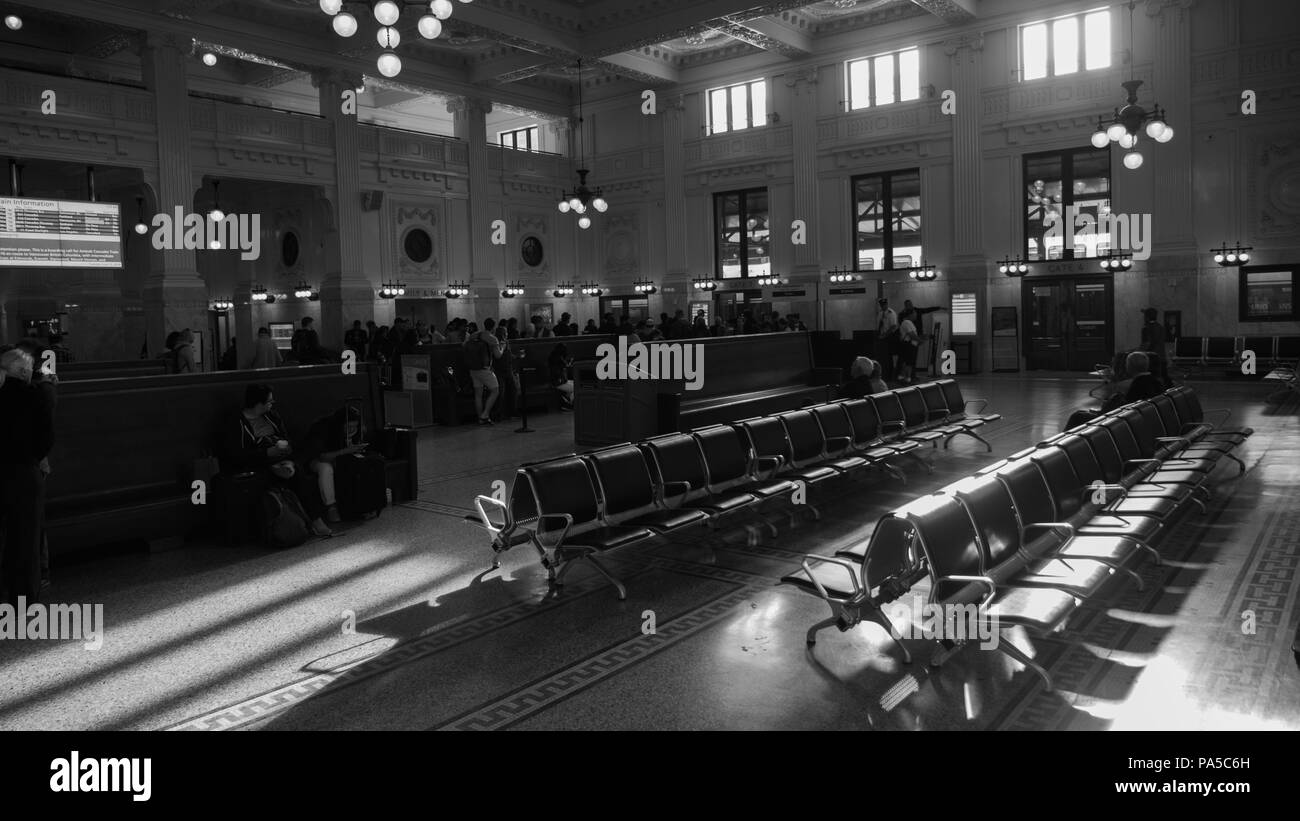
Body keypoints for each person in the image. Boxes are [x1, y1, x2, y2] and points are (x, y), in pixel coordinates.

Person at [221, 384, 332, 537]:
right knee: (285, 474)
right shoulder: (236, 422)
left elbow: (286, 439)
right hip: (257, 463)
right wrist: (267, 453)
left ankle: (315, 520)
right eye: (269, 402)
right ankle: (308, 522)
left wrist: (287, 457)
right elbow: (237, 455)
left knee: (298, 467)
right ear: (259, 404)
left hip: (280, 458)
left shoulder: (272, 416)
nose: (272, 404)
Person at [0, 348, 56, 604]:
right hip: (23, 472)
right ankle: (23, 598)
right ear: (23, 372)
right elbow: (45, 439)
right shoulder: (33, 396)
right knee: (26, 537)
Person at [302, 405, 369, 524]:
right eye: (349, 426)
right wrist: (347, 450)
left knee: (358, 463)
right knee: (326, 469)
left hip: (340, 459)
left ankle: (361, 504)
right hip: (315, 460)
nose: (352, 429)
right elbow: (322, 456)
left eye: (355, 426)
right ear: (340, 424)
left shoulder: (356, 430)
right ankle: (331, 507)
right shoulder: (322, 428)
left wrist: (350, 441)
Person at [466, 318, 505, 425]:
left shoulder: (475, 335)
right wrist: (503, 347)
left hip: (473, 369)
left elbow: (465, 344)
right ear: (493, 327)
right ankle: (485, 414)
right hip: (484, 369)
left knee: (478, 395)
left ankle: (480, 419)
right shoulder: (492, 338)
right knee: (495, 390)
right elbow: (498, 355)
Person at [1139, 307, 1168, 385]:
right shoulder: (1161, 327)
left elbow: (1147, 344)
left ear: (1147, 317)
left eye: (1144, 316)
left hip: (1150, 360)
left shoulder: (1146, 329)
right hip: (1162, 359)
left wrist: (1137, 353)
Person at [875, 298, 899, 381]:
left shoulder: (891, 313)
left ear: (887, 304)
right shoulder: (880, 313)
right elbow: (878, 326)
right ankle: (884, 374)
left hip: (889, 337)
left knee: (889, 357)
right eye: (882, 305)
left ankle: (890, 376)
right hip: (881, 337)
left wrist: (884, 335)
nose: (883, 306)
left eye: (884, 304)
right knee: (883, 357)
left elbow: (893, 327)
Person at [548, 343, 575, 411]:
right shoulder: (557, 360)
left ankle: (567, 400)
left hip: (560, 381)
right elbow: (558, 374)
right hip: (558, 382)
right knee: (576, 388)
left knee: (575, 383)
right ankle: (569, 405)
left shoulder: (555, 357)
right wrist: (566, 366)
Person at [896, 315, 921, 384]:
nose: (915, 315)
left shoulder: (907, 322)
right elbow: (911, 334)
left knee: (907, 362)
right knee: (908, 362)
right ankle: (906, 378)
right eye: (914, 313)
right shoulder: (907, 322)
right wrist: (920, 340)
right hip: (908, 345)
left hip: (908, 344)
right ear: (910, 314)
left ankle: (904, 377)